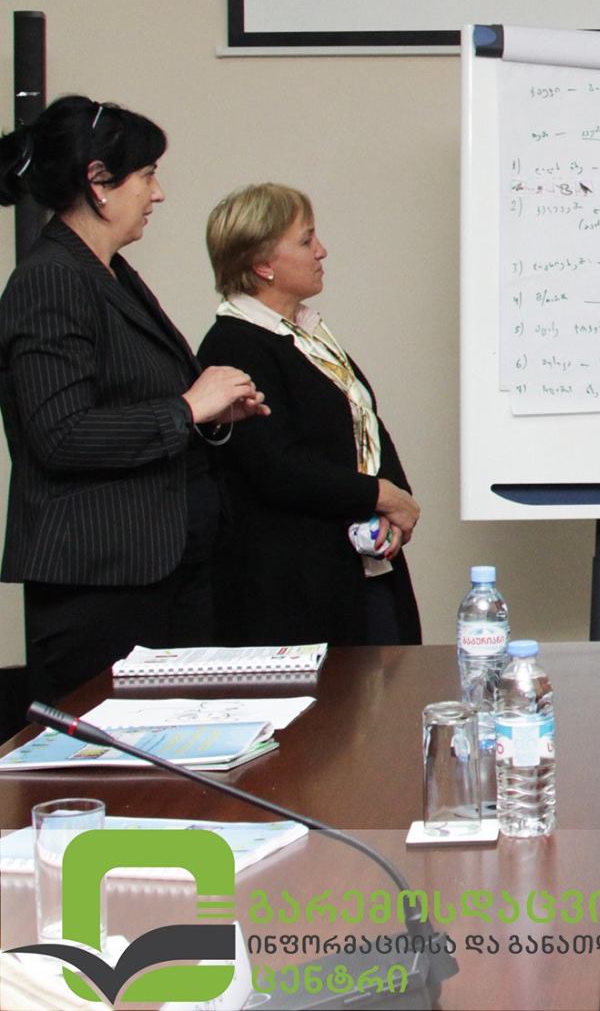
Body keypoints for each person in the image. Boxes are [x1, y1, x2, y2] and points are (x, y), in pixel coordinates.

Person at [0, 95, 267, 704]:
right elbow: (61, 434)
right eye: (147, 175)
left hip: (163, 570)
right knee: (109, 755)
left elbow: (131, 403)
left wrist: (209, 415)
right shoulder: (50, 278)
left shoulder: (111, 272)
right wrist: (187, 408)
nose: (158, 193)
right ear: (98, 183)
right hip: (102, 583)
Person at [197, 184, 422, 646]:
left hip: (361, 562)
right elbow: (277, 467)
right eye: (305, 241)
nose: (321, 251)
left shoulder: (307, 335)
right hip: (295, 590)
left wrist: (394, 505)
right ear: (262, 265)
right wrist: (380, 495)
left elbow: (363, 422)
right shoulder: (235, 344)